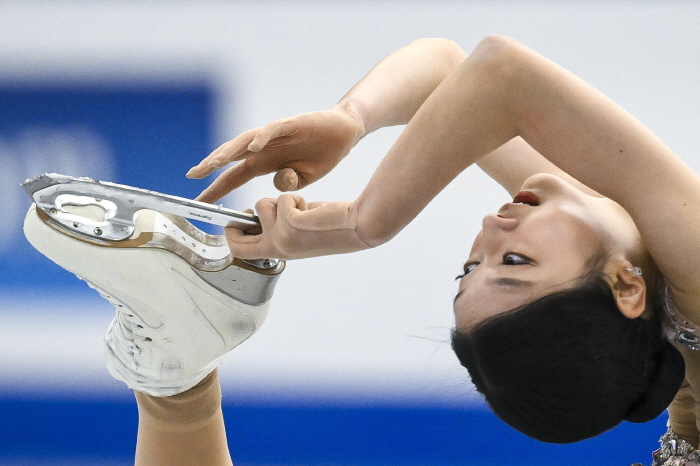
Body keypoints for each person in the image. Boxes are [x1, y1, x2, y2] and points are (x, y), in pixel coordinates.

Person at [22, 36, 700, 465]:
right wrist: (352, 121)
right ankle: (178, 378)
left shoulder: (640, 268)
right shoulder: (668, 259)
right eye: (512, 265)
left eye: (474, 268)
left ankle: (177, 380)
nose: (491, 233)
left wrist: (362, 223)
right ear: (624, 287)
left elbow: (490, 81)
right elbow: (463, 75)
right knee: (176, 390)